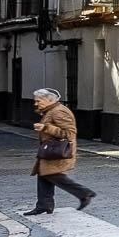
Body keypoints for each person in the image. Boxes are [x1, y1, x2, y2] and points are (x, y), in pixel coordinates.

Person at [25, 88, 94, 216]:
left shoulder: (59, 111)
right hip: (50, 150)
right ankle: (44, 205)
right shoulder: (50, 111)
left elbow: (69, 133)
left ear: (49, 99)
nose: (36, 104)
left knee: (52, 174)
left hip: (57, 151)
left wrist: (46, 128)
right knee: (43, 173)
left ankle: (84, 193)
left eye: (38, 101)